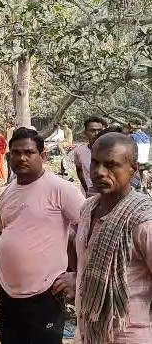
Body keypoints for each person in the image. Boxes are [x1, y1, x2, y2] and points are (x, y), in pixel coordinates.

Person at [0, 127, 85, 344]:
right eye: (16, 153)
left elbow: (90, 232)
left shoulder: (61, 190)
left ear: (43, 156)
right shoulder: (7, 194)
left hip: (46, 294)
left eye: (29, 152)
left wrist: (77, 275)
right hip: (8, 295)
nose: (22, 158)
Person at [62, 132, 152, 343]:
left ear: (133, 169)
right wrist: (78, 279)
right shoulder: (87, 208)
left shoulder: (143, 222)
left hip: (130, 335)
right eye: (95, 163)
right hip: (87, 332)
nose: (100, 172)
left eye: (111, 165)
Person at [73, 116, 106, 197]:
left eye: (99, 130)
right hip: (90, 195)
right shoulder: (79, 151)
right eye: (92, 131)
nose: (96, 133)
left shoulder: (111, 151)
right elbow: (79, 169)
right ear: (85, 133)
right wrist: (86, 188)